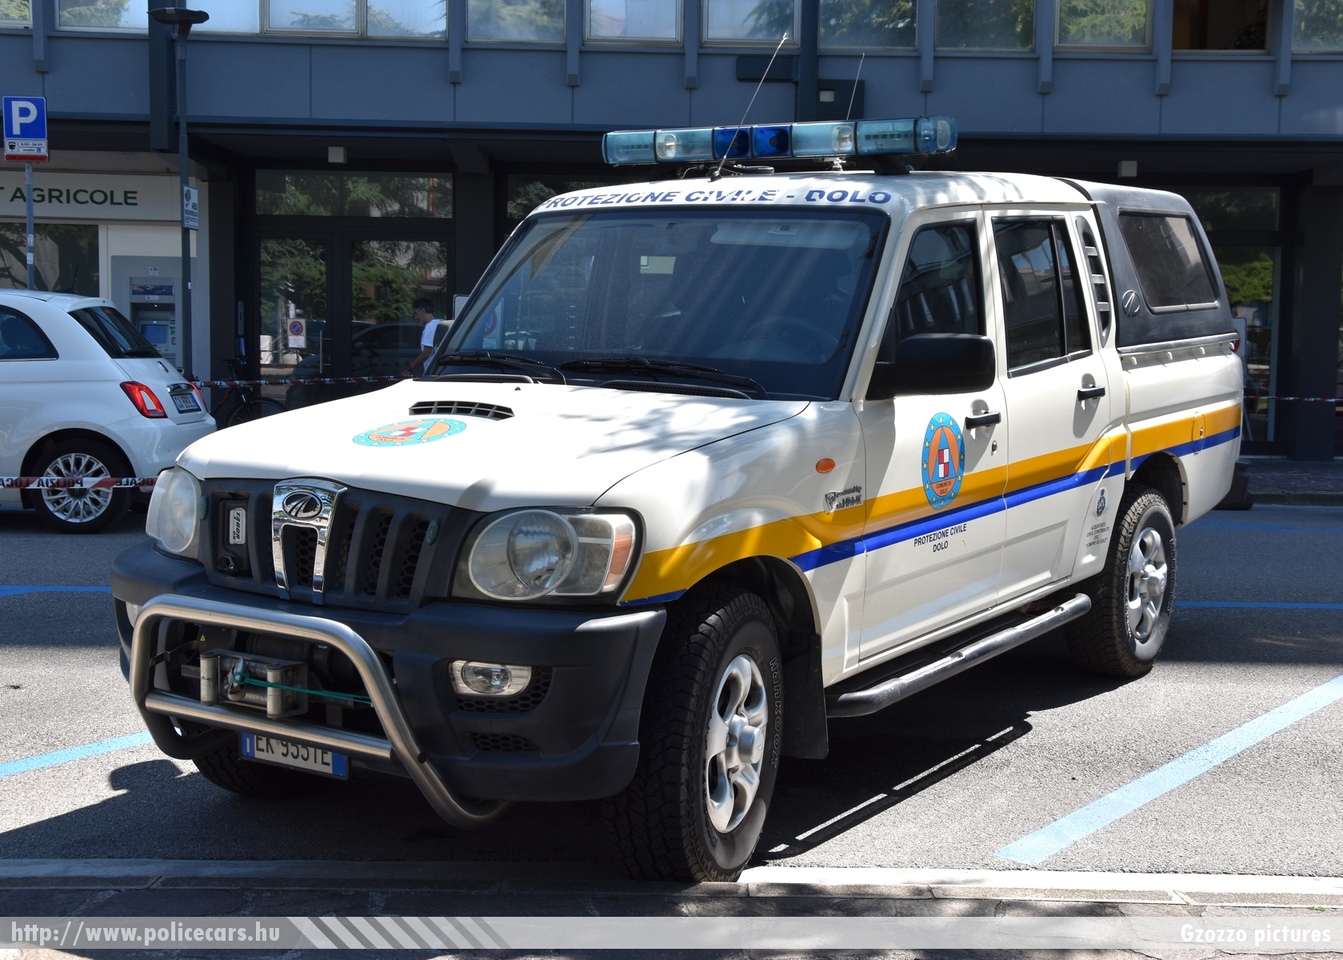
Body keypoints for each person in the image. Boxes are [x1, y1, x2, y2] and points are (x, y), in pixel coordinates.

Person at [403, 298, 440, 377]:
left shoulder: (429, 327)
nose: (416, 317)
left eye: (416, 313)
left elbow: (426, 353)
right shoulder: (440, 323)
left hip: (431, 374)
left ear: (422, 311)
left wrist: (410, 369)